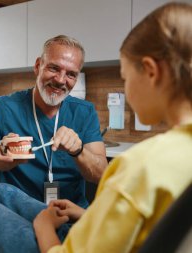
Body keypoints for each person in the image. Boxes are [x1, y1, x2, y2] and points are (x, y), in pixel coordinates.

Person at [33, 2, 192, 252]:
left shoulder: (139, 169)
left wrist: (43, 225)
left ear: (151, 72)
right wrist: (90, 215)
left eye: (125, 76)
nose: (126, 89)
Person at [0, 34, 108, 208]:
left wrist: (79, 151)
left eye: (71, 74)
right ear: (38, 66)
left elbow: (102, 173)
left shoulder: (84, 112)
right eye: (53, 68)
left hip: (67, 216)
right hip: (14, 214)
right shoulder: (3, 108)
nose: (60, 80)